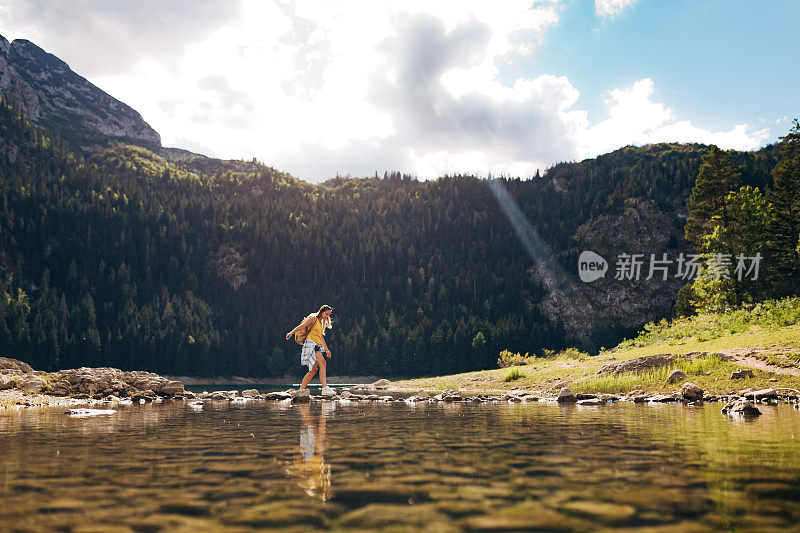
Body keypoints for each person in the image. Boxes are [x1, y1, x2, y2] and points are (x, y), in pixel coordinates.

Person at [286, 305, 334, 392]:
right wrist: (291, 332)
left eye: (329, 315)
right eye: (326, 314)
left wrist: (327, 350)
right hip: (311, 344)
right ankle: (325, 388)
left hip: (316, 344)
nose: (327, 316)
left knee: (313, 370)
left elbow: (321, 337)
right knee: (323, 363)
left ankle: (301, 390)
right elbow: (302, 326)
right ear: (321, 312)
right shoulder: (313, 319)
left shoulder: (321, 322)